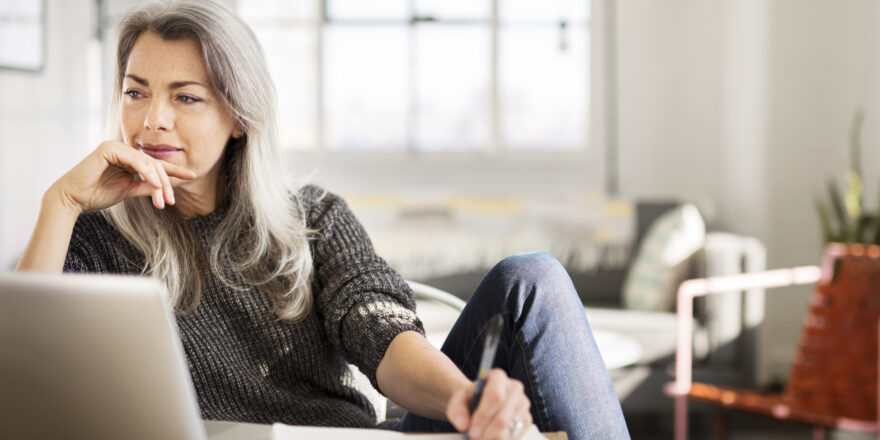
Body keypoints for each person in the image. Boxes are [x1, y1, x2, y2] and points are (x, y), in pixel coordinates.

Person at [15, 1, 630, 439]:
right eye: (135, 91)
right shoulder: (95, 237)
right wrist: (60, 204)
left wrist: (465, 400)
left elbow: (383, 337)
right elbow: (18, 378)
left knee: (534, 278)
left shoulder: (312, 217)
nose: (152, 121)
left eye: (186, 96)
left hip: (349, 436)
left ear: (239, 117)